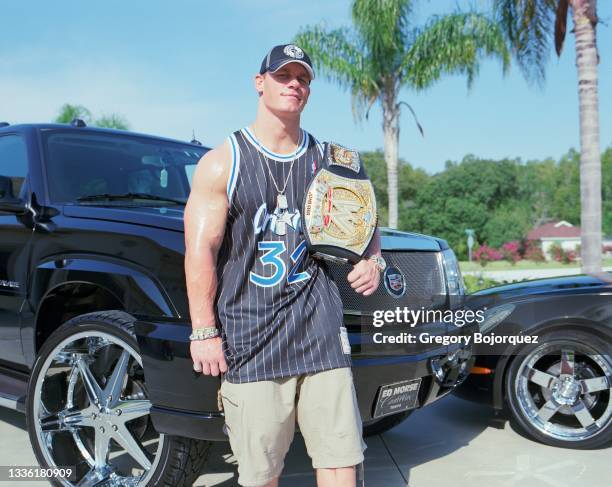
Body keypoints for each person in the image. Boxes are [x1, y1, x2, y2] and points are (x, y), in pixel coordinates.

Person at [184, 43, 384, 487]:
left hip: (321, 334)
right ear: (260, 83)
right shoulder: (222, 163)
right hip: (251, 338)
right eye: (283, 75)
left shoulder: (335, 162)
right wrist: (203, 332)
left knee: (340, 460)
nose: (295, 84)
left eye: (303, 78)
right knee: (261, 474)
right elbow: (199, 251)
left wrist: (374, 260)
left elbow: (366, 226)